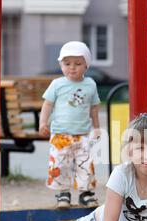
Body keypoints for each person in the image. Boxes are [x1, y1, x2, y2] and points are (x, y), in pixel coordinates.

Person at [39, 41, 101, 209]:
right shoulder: (57, 84)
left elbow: (94, 108)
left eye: (78, 64)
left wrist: (97, 127)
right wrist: (43, 122)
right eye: (67, 64)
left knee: (85, 163)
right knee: (60, 164)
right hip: (61, 134)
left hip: (83, 134)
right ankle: (63, 193)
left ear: (86, 65)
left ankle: (85, 193)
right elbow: (47, 105)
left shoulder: (90, 84)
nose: (72, 68)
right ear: (61, 65)